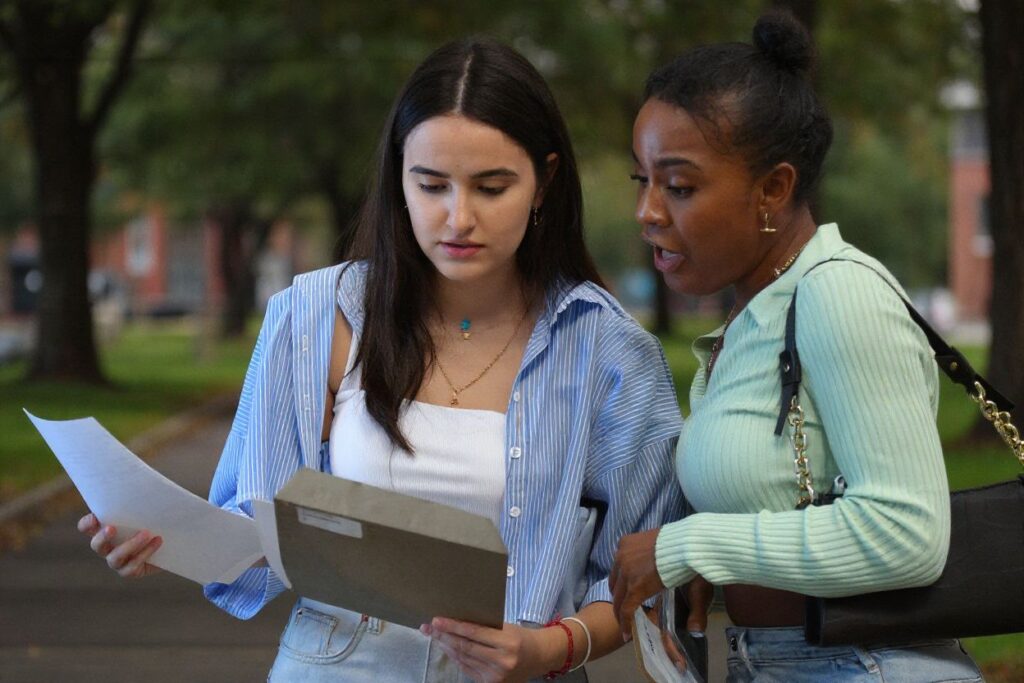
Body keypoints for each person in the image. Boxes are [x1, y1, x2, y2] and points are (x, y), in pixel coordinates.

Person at [78, 38, 685, 682]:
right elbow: (259, 527)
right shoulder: (316, 314)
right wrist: (167, 543)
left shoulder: (606, 349)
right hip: (337, 663)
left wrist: (549, 648)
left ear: (546, 182)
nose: (458, 217)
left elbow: (639, 580)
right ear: (400, 178)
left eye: (491, 187)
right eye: (431, 185)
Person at [609, 12, 984, 683]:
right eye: (644, 179)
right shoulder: (756, 312)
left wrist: (689, 544)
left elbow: (907, 535)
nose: (648, 212)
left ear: (774, 190)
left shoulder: (837, 295)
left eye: (680, 185)